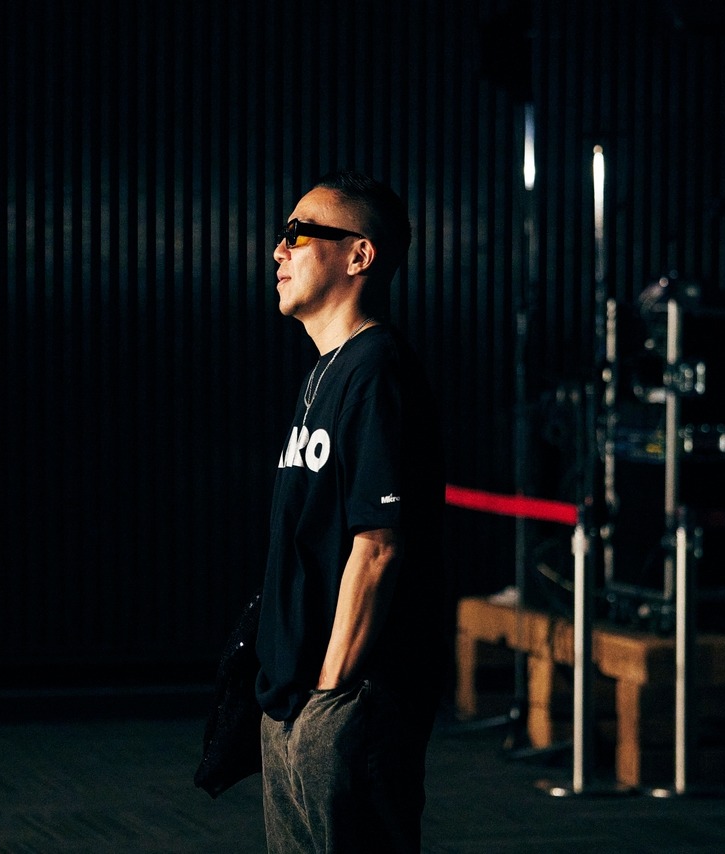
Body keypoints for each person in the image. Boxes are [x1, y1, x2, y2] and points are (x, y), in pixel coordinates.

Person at [254, 169, 447, 852]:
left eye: (299, 233)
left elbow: (378, 545)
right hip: (294, 700)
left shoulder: (377, 370)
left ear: (359, 255)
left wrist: (328, 700)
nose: (279, 249)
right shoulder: (324, 372)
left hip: (343, 704)